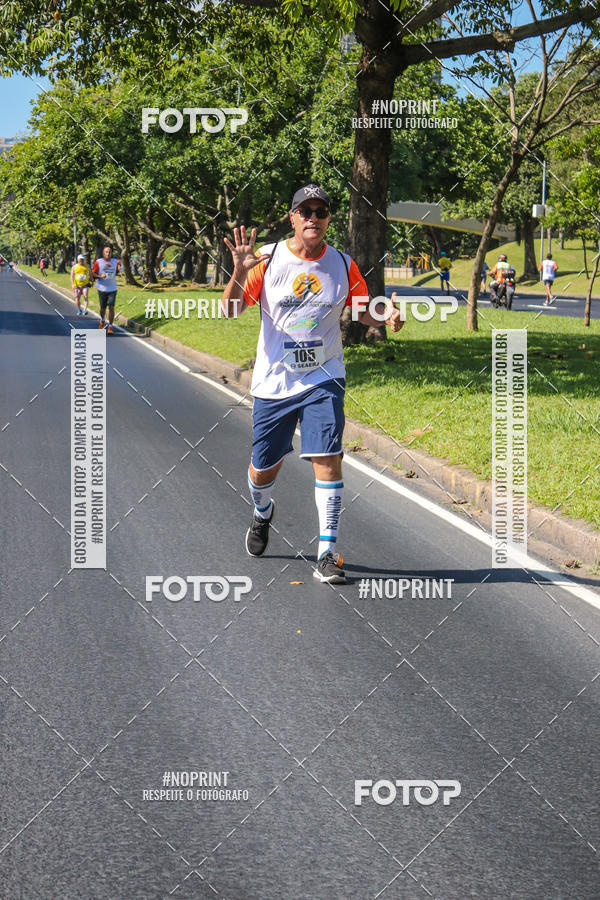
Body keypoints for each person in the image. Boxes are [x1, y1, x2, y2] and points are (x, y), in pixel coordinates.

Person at [221, 184, 404, 584]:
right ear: (292, 218)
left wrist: (385, 313)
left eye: (320, 211)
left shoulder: (341, 263)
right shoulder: (267, 260)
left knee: (327, 456)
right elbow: (232, 310)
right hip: (274, 381)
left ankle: (327, 552)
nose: (313, 218)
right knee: (262, 469)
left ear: (328, 219)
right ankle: (262, 511)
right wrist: (238, 270)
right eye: (305, 211)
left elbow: (361, 311)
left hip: (324, 375)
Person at [92, 245, 120, 334]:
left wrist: (118, 274)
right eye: (106, 252)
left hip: (112, 288)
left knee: (111, 307)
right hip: (102, 288)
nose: (108, 253)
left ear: (111, 253)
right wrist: (100, 276)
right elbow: (93, 274)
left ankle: (110, 326)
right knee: (103, 308)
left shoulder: (115, 262)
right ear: (103, 253)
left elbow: (115, 271)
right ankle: (102, 320)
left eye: (109, 252)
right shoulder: (98, 262)